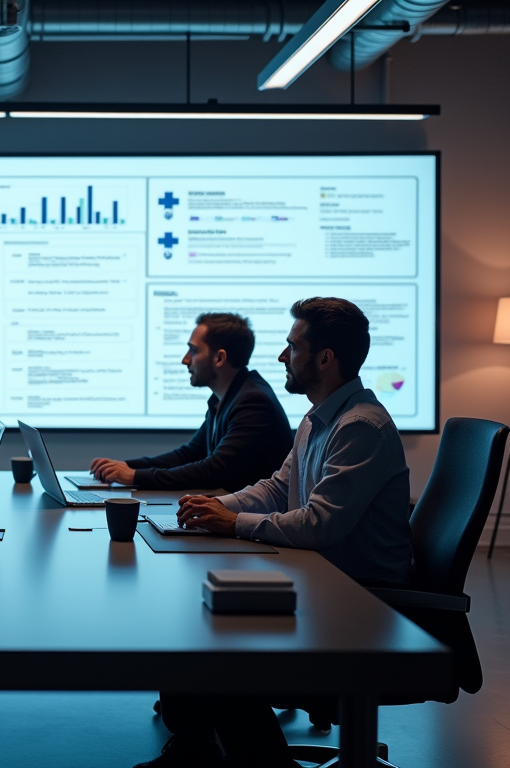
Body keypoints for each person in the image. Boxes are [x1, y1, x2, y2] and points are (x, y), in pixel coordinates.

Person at [136, 298, 413, 768]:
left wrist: (233, 522)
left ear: (324, 358)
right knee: (195, 617)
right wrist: (215, 507)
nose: (283, 357)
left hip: (359, 605)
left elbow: (320, 524)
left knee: (222, 652)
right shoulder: (319, 417)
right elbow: (276, 488)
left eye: (292, 346)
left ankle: (249, 763)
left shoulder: (360, 427)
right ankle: (195, 749)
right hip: (324, 584)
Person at [90, 312, 292, 492]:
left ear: (219, 358)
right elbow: (189, 455)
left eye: (193, 351)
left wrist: (134, 476)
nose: (185, 360)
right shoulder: (225, 397)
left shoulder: (254, 402)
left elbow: (213, 470)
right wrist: (125, 467)